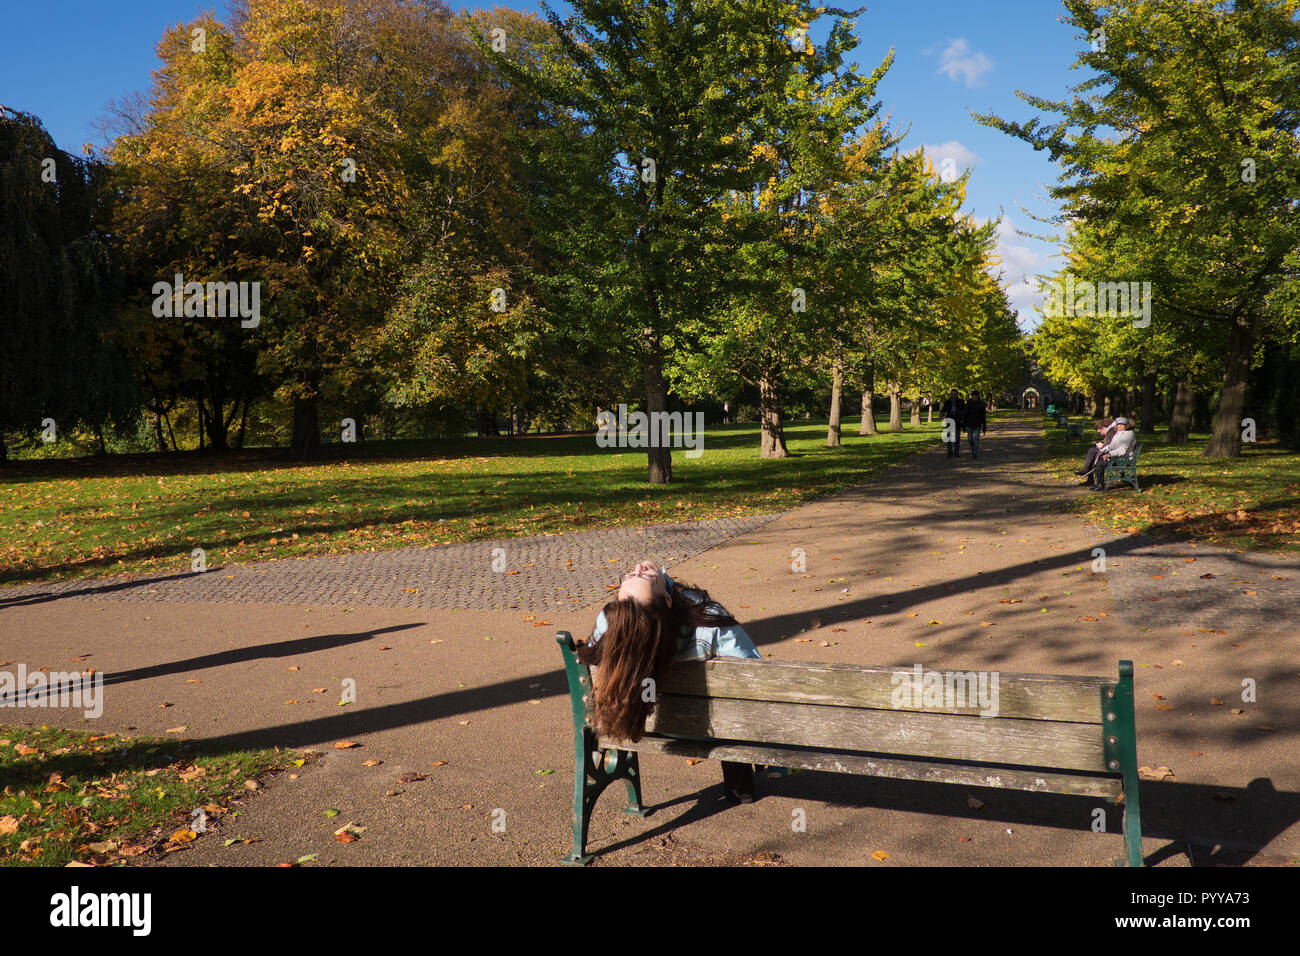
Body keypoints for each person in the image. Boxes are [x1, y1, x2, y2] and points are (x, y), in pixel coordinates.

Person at [577, 561, 762, 803]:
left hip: (641, 724)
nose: (639, 566)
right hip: (713, 731)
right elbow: (753, 679)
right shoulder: (709, 621)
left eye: (634, 573)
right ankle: (740, 786)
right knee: (731, 710)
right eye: (646, 577)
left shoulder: (608, 622)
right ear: (667, 600)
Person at [1087, 417, 1136, 491]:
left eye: (1122, 424)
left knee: (1101, 463)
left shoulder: (1128, 434)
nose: (1119, 426)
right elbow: (1112, 446)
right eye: (1118, 424)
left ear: (1126, 425)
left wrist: (1109, 454)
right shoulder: (1119, 432)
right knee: (1100, 457)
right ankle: (1098, 484)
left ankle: (1100, 485)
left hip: (1123, 459)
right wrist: (1102, 450)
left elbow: (1122, 450)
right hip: (1118, 457)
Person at [1074, 417, 1117, 485]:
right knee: (1093, 453)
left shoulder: (1111, 431)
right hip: (1111, 453)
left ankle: (1086, 471)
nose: (1101, 434)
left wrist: (1101, 446)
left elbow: (1109, 445)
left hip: (1113, 455)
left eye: (1100, 432)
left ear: (1104, 428)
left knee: (1092, 451)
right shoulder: (1111, 431)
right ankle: (1089, 476)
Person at [939, 389, 965, 458]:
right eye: (952, 394)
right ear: (950, 394)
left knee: (957, 438)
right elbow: (944, 409)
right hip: (949, 421)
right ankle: (949, 452)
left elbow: (964, 410)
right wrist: (942, 413)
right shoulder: (948, 402)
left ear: (957, 394)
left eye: (955, 394)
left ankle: (956, 452)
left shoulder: (961, 402)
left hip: (957, 421)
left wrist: (962, 419)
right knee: (948, 438)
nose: (953, 395)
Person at [963, 390, 988, 458]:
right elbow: (965, 414)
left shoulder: (981, 404)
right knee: (970, 439)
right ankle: (974, 447)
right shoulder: (968, 403)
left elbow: (983, 416)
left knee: (976, 439)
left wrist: (984, 427)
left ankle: (974, 452)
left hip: (977, 424)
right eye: (973, 396)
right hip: (970, 423)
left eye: (975, 396)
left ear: (978, 396)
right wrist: (964, 424)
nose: (974, 398)